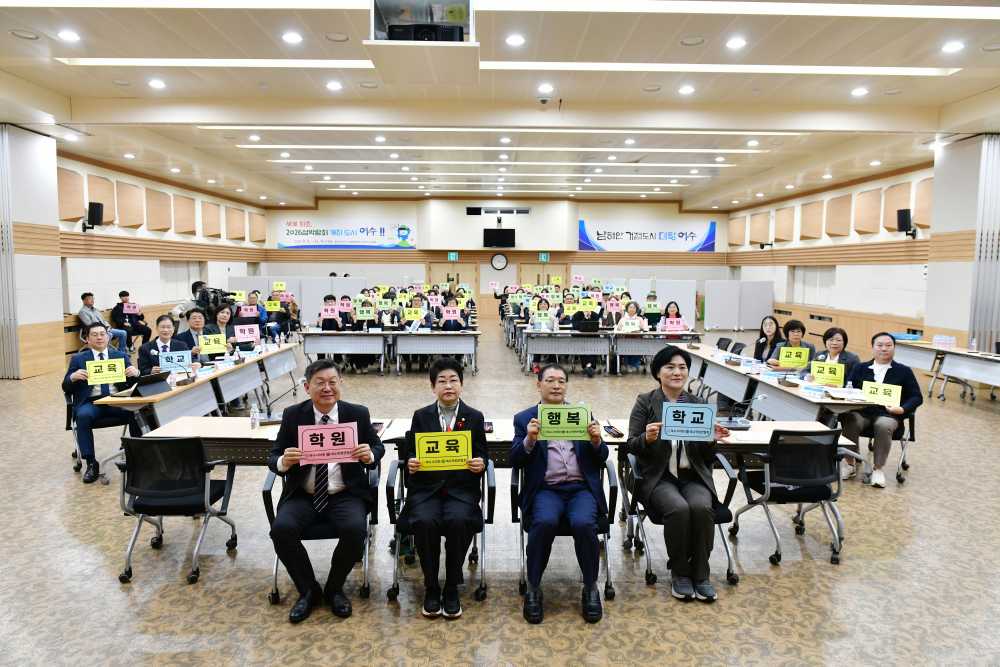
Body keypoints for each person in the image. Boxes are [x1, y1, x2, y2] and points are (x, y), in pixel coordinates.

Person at [268, 359, 384, 623]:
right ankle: (308, 590)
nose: (327, 388)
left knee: (355, 530)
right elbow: (274, 456)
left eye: (333, 382)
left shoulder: (358, 413)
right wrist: (284, 462)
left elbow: (378, 448)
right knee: (281, 530)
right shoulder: (293, 415)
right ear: (307, 386)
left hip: (345, 492)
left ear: (340, 384)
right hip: (303, 494)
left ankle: (334, 588)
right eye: (320, 383)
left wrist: (369, 455)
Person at [625, 346, 730, 602]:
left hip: (692, 476)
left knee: (702, 508)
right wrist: (647, 439)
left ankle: (701, 574)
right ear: (658, 373)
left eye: (682, 367)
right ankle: (680, 573)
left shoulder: (698, 404)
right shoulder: (646, 401)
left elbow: (706, 455)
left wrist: (711, 440)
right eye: (670, 367)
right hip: (659, 477)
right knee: (679, 509)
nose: (677, 372)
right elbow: (630, 445)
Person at [511, 364, 608, 625]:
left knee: (584, 523)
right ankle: (533, 587)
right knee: (543, 522)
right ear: (538, 384)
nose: (556, 386)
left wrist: (597, 441)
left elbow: (603, 457)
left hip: (580, 489)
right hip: (546, 489)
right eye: (550, 380)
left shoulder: (582, 413)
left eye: (561, 381)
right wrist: (529, 440)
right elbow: (515, 459)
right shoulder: (525, 418)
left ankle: (590, 587)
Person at [401, 358, 488, 619]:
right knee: (425, 521)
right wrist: (411, 463)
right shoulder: (421, 416)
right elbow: (411, 456)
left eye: (453, 380)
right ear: (432, 387)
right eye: (442, 381)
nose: (448, 386)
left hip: (461, 490)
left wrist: (480, 464)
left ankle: (451, 586)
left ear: (461, 385)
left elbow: (483, 455)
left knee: (459, 521)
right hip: (426, 489)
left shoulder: (474, 417)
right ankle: (431, 586)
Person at [840, 333, 923, 487]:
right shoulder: (860, 368)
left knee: (883, 425)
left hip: (889, 414)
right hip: (862, 411)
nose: (884, 348)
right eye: (879, 345)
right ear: (872, 347)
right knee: (849, 419)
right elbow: (848, 388)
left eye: (888, 345)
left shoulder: (903, 371)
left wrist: (902, 408)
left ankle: (878, 469)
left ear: (894, 348)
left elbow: (916, 397)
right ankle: (850, 463)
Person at [62, 323, 140, 483]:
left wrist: (136, 373)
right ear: (87, 339)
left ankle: (137, 456)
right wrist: (72, 377)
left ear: (108, 337)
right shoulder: (78, 359)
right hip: (92, 403)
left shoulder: (120, 356)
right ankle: (91, 462)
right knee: (82, 416)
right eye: (94, 334)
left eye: (102, 334)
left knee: (138, 411)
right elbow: (65, 386)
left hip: (116, 401)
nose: (99, 337)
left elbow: (136, 382)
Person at [616, 301, 649, 372]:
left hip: (637, 339)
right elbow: (618, 329)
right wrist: (622, 329)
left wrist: (641, 328)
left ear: (636, 309)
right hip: (625, 339)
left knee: (638, 348)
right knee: (625, 348)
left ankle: (634, 364)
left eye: (634, 307)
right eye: (630, 307)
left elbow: (644, 329)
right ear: (627, 309)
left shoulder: (639, 319)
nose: (632, 309)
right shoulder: (623, 319)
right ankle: (627, 364)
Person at [571, 306, 601, 378]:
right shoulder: (577, 314)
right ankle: (586, 367)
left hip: (593, 338)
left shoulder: (595, 314)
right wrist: (585, 318)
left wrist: (589, 317)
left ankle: (591, 367)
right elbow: (575, 326)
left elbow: (597, 326)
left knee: (593, 348)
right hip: (580, 338)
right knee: (583, 347)